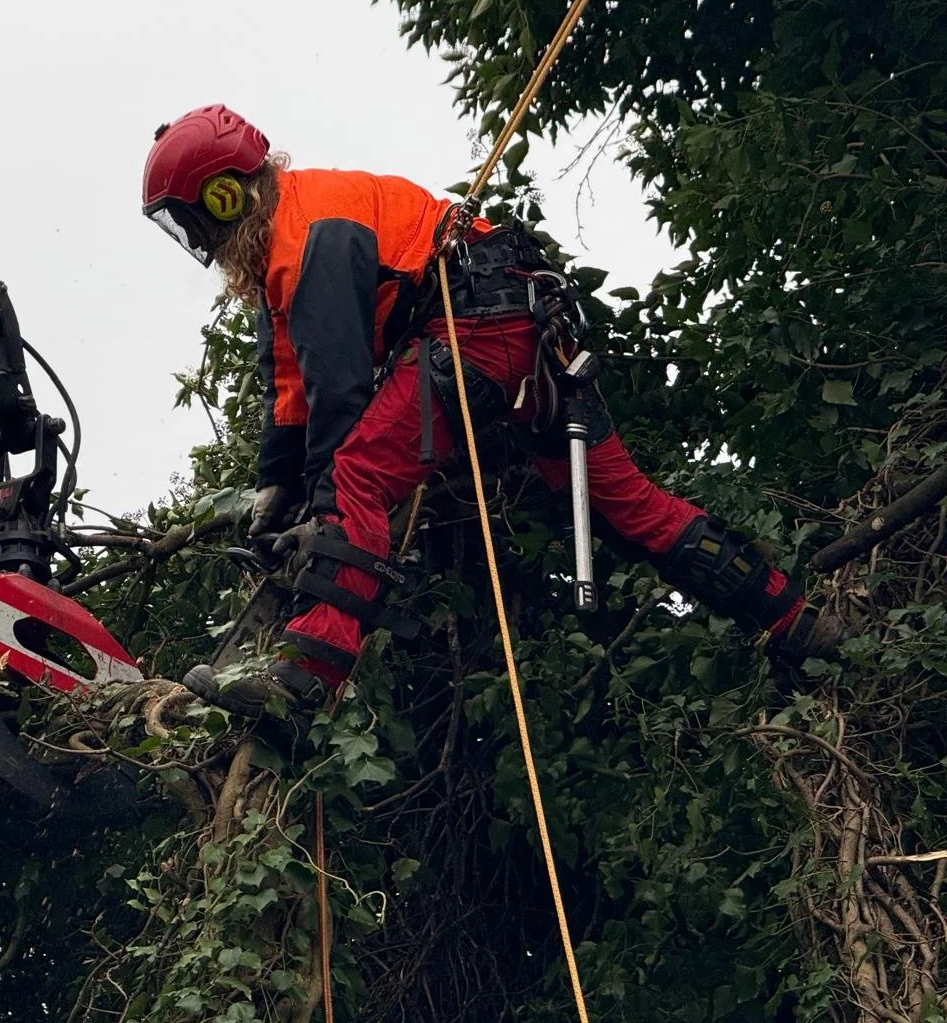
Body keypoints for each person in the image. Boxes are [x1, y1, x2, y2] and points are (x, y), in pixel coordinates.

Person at [140, 104, 846, 718]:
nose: (197, 239)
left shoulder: (312, 231)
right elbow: (291, 380)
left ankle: (305, 683)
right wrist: (276, 485)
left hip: (474, 331)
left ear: (226, 197)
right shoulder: (287, 250)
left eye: (191, 219)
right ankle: (795, 623)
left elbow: (339, 390)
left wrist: (321, 497)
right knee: (627, 504)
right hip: (529, 336)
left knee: (355, 476)